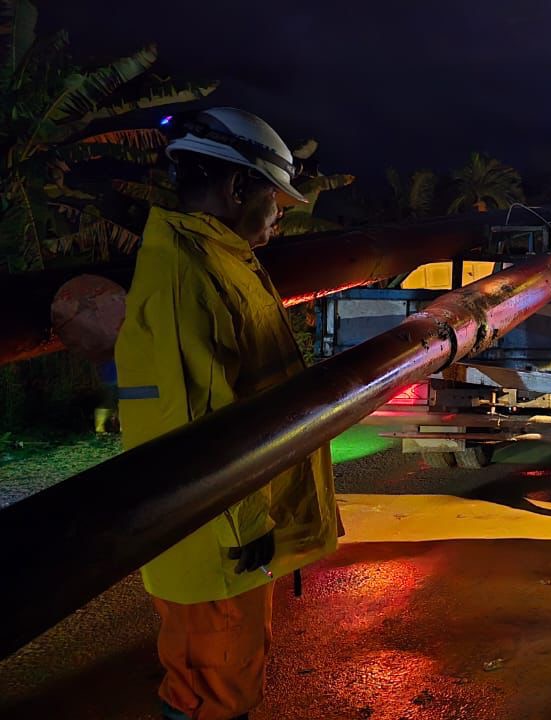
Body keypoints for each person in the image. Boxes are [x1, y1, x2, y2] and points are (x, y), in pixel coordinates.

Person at [114, 107, 340, 720]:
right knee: (209, 696)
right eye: (276, 199)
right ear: (239, 186)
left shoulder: (219, 257)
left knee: (227, 683)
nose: (279, 215)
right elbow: (198, 425)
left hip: (228, 535)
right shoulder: (187, 273)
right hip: (216, 542)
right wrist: (244, 532)